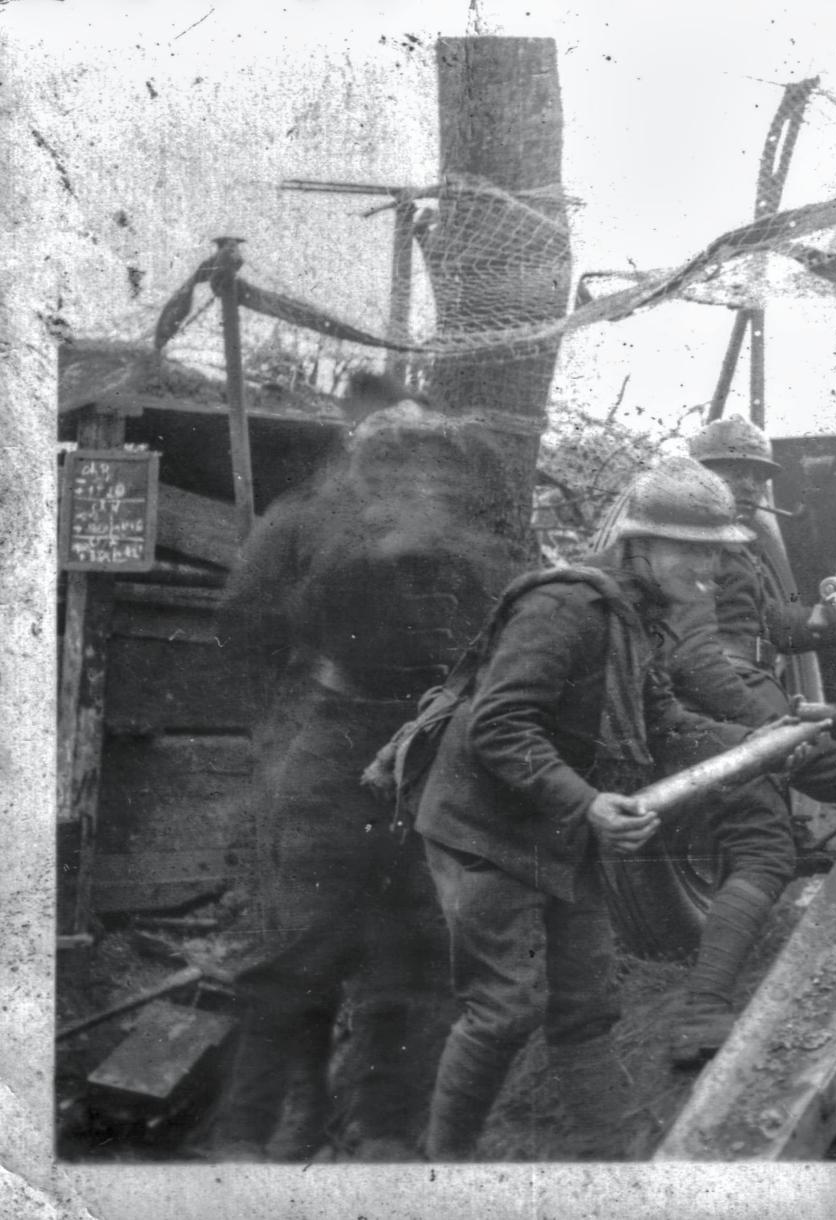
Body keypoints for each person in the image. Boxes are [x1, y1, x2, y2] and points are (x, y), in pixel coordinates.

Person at [413, 456, 800, 1161]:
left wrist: (759, 742)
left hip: (559, 829)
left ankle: (620, 1161)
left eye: (718, 550)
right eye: (693, 548)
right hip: (485, 831)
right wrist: (589, 804)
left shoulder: (636, 621)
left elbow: (664, 722)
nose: (709, 566)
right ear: (640, 546)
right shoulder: (565, 606)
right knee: (505, 1009)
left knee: (587, 1006)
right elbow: (499, 725)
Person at [210, 373, 528, 1161]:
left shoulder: (479, 543)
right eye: (398, 458)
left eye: (432, 463)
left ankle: (383, 1130)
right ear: (364, 456)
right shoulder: (306, 523)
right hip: (335, 740)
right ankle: (255, 1131)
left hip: (440, 752)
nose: (418, 478)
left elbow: (510, 634)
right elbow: (244, 623)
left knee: (416, 946)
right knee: (303, 940)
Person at [686, 416, 836, 831]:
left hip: (749, 691)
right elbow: (692, 650)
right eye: (735, 473)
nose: (749, 487)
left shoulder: (735, 543)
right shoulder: (688, 545)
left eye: (758, 477)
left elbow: (769, 625)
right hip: (725, 702)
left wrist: (832, 620)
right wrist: (762, 719)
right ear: (698, 477)